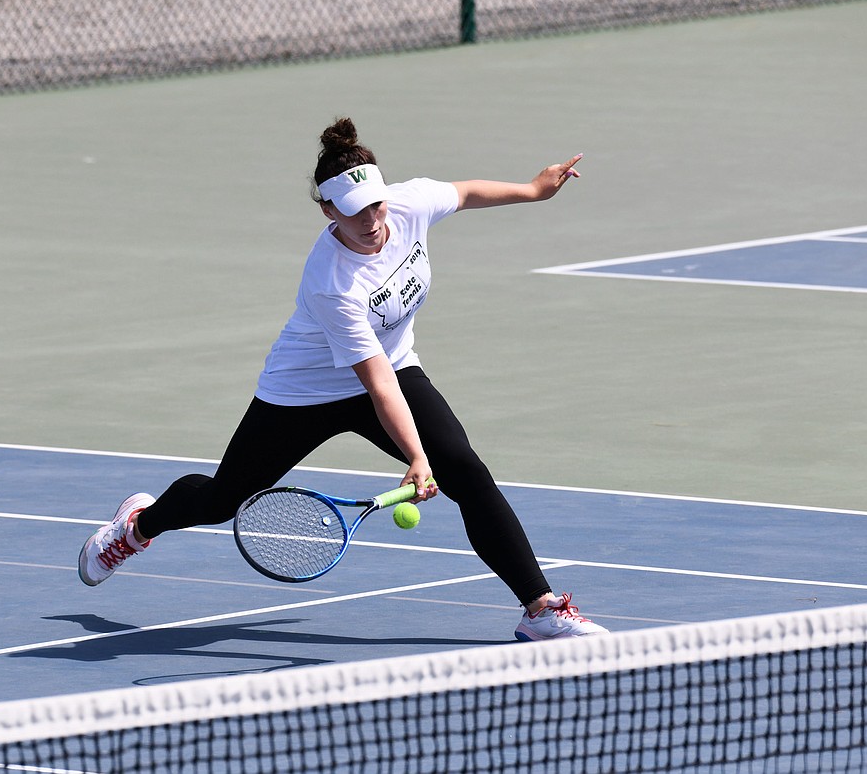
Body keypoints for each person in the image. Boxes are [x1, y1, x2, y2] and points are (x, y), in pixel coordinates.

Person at [78, 117, 607, 642]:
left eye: (376, 205)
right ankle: (138, 527)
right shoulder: (332, 282)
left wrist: (533, 190)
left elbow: (465, 193)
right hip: (305, 392)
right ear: (329, 211)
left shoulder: (408, 203)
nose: (372, 220)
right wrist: (417, 459)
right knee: (222, 499)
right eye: (355, 213)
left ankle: (540, 609)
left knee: (466, 471)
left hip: (394, 365)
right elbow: (375, 386)